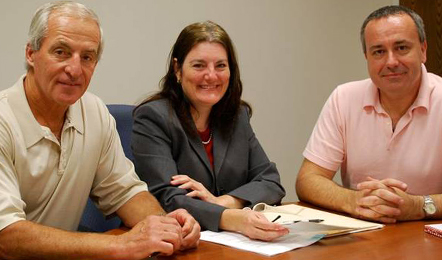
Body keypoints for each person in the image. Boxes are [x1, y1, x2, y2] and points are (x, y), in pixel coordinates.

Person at [0, 2, 200, 259]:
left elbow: (124, 192)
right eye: (61, 52)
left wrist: (166, 225)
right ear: (31, 54)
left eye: (87, 57)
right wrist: (123, 245)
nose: (74, 70)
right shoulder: (4, 120)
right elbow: (5, 235)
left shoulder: (93, 112)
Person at [132, 21, 288, 241]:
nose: (211, 76)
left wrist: (224, 202)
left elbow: (271, 182)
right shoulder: (153, 118)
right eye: (199, 65)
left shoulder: (237, 116)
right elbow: (168, 199)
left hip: (232, 245)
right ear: (177, 69)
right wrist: (232, 218)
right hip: (173, 243)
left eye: (221, 66)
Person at [296, 5, 442, 224]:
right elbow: (308, 179)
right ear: (366, 57)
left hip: (432, 239)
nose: (391, 62)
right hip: (366, 237)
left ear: (423, 50)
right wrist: (354, 201)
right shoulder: (344, 98)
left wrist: (419, 206)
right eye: (378, 51)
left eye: (402, 48)